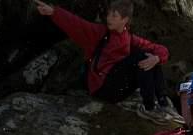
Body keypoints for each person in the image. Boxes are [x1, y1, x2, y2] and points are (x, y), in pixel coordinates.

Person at [35, 0, 181, 124]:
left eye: (114, 15)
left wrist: (157, 58)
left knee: (151, 56)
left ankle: (163, 103)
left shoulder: (129, 38)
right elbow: (76, 24)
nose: (109, 18)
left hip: (118, 89)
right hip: (102, 88)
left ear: (125, 20)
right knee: (142, 56)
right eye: (109, 14)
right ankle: (149, 108)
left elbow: (161, 49)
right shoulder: (99, 33)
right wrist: (53, 12)